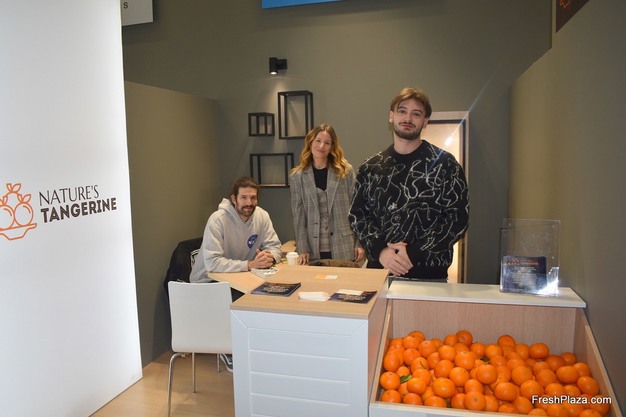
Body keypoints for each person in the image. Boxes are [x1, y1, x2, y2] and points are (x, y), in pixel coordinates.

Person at [349, 87, 469, 281]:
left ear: (425, 121)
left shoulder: (446, 165)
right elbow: (358, 215)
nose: (408, 118)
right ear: (391, 116)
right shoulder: (370, 168)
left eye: (416, 114)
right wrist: (381, 251)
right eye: (402, 111)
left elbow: (458, 218)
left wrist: (414, 253)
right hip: (380, 273)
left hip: (429, 276)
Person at [189, 176, 282, 371]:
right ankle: (229, 349)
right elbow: (213, 263)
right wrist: (250, 264)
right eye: (244, 198)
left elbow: (275, 246)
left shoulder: (262, 216)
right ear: (233, 199)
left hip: (238, 277)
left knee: (270, 294)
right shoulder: (218, 220)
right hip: (208, 281)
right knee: (241, 299)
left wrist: (269, 257)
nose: (249, 203)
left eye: (253, 198)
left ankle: (257, 347)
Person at [289, 123, 365, 265]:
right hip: (313, 249)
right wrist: (303, 248)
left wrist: (359, 243)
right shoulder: (297, 176)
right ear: (310, 142)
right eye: (318, 140)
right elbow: (298, 216)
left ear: (332, 147)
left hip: (344, 246)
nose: (321, 146)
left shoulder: (345, 171)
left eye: (327, 143)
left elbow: (357, 209)